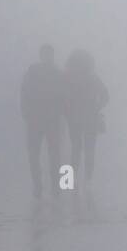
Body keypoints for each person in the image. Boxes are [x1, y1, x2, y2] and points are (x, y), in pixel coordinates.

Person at [62, 49, 109, 208]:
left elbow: (62, 98)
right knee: (89, 149)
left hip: (75, 119)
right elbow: (105, 96)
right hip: (89, 118)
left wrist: (67, 110)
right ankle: (87, 180)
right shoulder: (92, 78)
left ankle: (74, 178)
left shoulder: (68, 78)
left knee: (77, 148)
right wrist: (97, 107)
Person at [20, 44, 64, 201]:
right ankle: (38, 186)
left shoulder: (57, 74)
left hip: (50, 121)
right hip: (36, 120)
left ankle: (54, 187)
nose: (47, 57)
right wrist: (25, 112)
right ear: (41, 55)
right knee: (35, 155)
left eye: (49, 54)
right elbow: (24, 92)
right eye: (45, 54)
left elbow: (63, 97)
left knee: (53, 156)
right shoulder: (34, 71)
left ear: (51, 56)